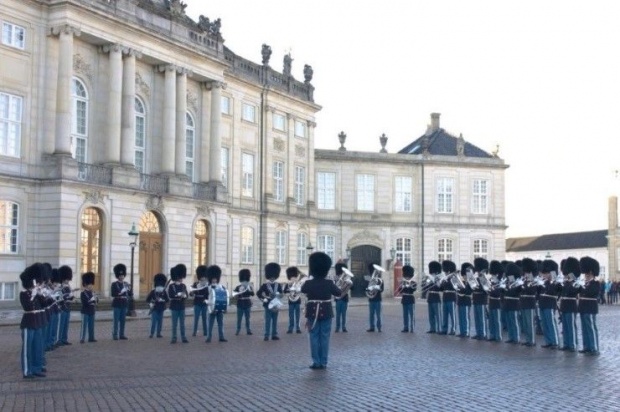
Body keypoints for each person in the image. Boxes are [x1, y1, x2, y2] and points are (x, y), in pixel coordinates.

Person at [301, 252, 342, 370]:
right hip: (326, 312)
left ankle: (316, 362)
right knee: (324, 337)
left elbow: (303, 290)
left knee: (313, 337)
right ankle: (323, 362)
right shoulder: (329, 283)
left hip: (312, 312)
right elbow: (338, 293)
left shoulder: (308, 283)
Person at [19, 265, 46, 379]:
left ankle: (36, 368)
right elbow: (28, 307)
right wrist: (34, 294)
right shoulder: (24, 294)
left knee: (37, 347)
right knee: (27, 349)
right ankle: (26, 371)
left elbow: (45, 304)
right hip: (28, 323)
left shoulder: (36, 293)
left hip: (37, 323)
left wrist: (41, 294)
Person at [577, 256, 600, 355]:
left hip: (590, 307)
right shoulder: (584, 283)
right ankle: (587, 346)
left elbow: (591, 292)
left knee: (591, 328)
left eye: (587, 274)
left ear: (591, 273)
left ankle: (594, 348)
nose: (586, 275)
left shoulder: (595, 283)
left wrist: (583, 286)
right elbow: (577, 292)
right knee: (584, 328)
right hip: (583, 307)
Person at [257, 262, 283, 341]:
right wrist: (263, 299)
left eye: (274, 276)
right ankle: (266, 335)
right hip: (267, 304)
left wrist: (279, 295)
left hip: (276, 305)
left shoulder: (278, 285)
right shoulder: (265, 285)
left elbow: (281, 294)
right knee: (267, 321)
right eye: (271, 276)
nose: (272, 278)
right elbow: (258, 293)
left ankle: (274, 334)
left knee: (275, 321)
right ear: (269, 276)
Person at [559, 257, 580, 352]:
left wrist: (568, 282)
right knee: (565, 326)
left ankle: (572, 344)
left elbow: (572, 291)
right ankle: (566, 343)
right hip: (564, 305)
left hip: (571, 304)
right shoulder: (565, 281)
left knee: (571, 326)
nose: (566, 275)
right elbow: (560, 292)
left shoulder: (575, 282)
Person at [538, 259, 560, 349]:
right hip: (543, 303)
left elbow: (553, 291)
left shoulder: (555, 282)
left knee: (550, 323)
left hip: (550, 304)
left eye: (546, 273)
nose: (544, 275)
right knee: (544, 323)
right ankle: (548, 341)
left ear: (551, 273)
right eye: (544, 273)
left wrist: (551, 281)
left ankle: (554, 342)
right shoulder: (544, 282)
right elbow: (538, 292)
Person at [205, 265, 228, 343]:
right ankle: (209, 337)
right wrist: (206, 302)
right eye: (213, 278)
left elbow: (225, 296)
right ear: (210, 278)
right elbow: (205, 297)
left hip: (220, 308)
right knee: (210, 324)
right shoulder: (208, 287)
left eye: (215, 278)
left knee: (220, 323)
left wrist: (225, 307)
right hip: (211, 307)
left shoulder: (221, 286)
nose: (214, 280)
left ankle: (221, 337)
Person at [168, 264, 189, 344]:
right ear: (177, 277)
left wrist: (184, 295)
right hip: (174, 307)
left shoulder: (183, 286)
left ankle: (183, 337)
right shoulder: (171, 286)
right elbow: (170, 295)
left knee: (182, 324)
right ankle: (174, 337)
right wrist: (178, 295)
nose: (181, 279)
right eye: (180, 277)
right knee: (174, 324)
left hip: (182, 307)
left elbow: (186, 295)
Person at [519, 258, 538, 347]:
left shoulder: (533, 280)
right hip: (523, 302)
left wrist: (524, 286)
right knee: (525, 323)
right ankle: (527, 339)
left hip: (530, 302)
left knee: (530, 323)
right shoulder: (524, 280)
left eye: (527, 272)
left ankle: (532, 340)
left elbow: (532, 291)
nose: (525, 274)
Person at [111, 263, 132, 340]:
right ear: (118, 276)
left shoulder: (126, 284)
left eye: (122, 275)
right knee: (116, 320)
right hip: (117, 303)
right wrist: (120, 292)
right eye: (120, 276)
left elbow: (130, 294)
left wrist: (129, 290)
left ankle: (122, 334)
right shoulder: (114, 284)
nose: (121, 277)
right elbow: (113, 294)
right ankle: (115, 334)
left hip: (124, 303)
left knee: (123, 320)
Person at [503, 262, 522, 344]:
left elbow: (515, 292)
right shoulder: (507, 281)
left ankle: (516, 337)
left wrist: (508, 288)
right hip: (507, 302)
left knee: (514, 321)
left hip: (514, 303)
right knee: (509, 321)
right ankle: (511, 337)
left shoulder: (518, 281)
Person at [146, 273, 168, 338]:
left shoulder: (164, 292)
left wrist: (162, 300)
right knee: (154, 322)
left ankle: (158, 333)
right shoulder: (153, 292)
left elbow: (167, 300)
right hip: (154, 308)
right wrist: (151, 304)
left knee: (160, 322)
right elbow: (147, 300)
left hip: (161, 308)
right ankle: (152, 333)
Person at [472, 258, 489, 340]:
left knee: (482, 318)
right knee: (477, 317)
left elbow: (486, 290)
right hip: (476, 298)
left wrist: (478, 285)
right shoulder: (477, 277)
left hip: (482, 299)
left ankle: (483, 333)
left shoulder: (483, 278)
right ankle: (478, 332)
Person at [487, 260, 504, 342]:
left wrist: (491, 290)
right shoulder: (491, 279)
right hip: (491, 301)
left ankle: (498, 336)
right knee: (491, 320)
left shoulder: (500, 280)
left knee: (497, 320)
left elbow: (498, 292)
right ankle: (492, 335)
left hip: (497, 301)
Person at [57, 265, 74, 346]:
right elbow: (61, 297)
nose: (68, 281)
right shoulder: (60, 287)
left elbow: (70, 296)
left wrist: (71, 297)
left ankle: (64, 339)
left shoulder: (68, 287)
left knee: (66, 325)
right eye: (66, 279)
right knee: (61, 325)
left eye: (68, 279)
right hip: (62, 308)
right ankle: (59, 340)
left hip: (68, 307)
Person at [233, 269, 254, 335]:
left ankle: (248, 330)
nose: (244, 281)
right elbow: (234, 295)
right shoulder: (238, 287)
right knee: (239, 319)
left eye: (245, 280)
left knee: (247, 319)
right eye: (243, 280)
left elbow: (252, 294)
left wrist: (249, 289)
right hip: (240, 303)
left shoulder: (249, 286)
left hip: (247, 303)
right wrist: (238, 293)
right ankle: (238, 330)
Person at [439, 260, 457, 335]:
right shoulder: (445, 278)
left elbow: (454, 287)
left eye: (446, 271)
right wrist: (440, 283)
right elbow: (442, 288)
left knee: (452, 315)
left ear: (449, 271)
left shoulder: (454, 277)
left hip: (451, 297)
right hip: (445, 297)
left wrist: (447, 280)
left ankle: (453, 329)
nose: (445, 272)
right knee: (445, 315)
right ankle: (444, 329)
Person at [333, 262, 352, 333]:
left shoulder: (347, 278)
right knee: (338, 314)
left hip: (344, 298)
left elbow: (352, 287)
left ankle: (344, 327)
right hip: (338, 298)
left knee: (344, 314)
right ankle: (337, 327)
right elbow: (334, 287)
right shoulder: (336, 278)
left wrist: (349, 283)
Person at [284, 266, 303, 334]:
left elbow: (302, 290)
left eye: (294, 277)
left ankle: (298, 328)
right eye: (292, 277)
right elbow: (284, 291)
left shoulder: (299, 283)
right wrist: (289, 289)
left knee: (298, 316)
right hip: (290, 301)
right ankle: (290, 328)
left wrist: (297, 288)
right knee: (291, 316)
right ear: (290, 277)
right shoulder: (288, 284)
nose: (293, 278)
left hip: (297, 300)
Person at [79, 272, 98, 344]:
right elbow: (84, 302)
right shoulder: (83, 293)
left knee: (91, 325)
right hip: (85, 310)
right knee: (84, 326)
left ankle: (91, 337)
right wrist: (91, 300)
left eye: (91, 284)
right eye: (89, 284)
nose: (91, 286)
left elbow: (96, 302)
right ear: (86, 284)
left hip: (92, 310)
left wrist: (95, 298)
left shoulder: (92, 292)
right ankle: (82, 338)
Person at [191, 266, 209, 338]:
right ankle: (194, 332)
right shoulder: (195, 284)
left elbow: (209, 294)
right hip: (197, 303)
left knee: (204, 318)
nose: (203, 279)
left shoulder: (207, 285)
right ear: (199, 277)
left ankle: (205, 332)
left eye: (204, 277)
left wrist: (207, 300)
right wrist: (193, 292)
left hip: (204, 303)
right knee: (196, 318)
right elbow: (191, 293)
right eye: (202, 277)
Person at [366, 263, 384, 332]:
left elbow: (382, 290)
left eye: (377, 272)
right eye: (375, 272)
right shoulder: (369, 279)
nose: (376, 273)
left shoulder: (380, 280)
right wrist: (370, 288)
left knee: (378, 315)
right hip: (371, 299)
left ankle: (379, 327)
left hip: (378, 299)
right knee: (371, 315)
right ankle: (372, 327)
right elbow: (366, 289)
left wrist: (378, 287)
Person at [456, 263, 473, 338]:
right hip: (460, 300)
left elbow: (469, 291)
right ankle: (462, 331)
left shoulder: (471, 282)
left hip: (466, 300)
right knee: (461, 317)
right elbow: (458, 290)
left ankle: (466, 332)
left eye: (465, 275)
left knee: (465, 317)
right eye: (464, 275)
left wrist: (462, 289)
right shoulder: (462, 282)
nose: (464, 276)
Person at [399, 265, 417, 333]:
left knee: (412, 315)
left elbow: (414, 289)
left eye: (407, 276)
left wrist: (409, 285)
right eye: (405, 275)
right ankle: (405, 327)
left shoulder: (413, 282)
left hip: (410, 299)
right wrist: (401, 286)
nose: (406, 277)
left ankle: (412, 328)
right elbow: (399, 291)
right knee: (405, 315)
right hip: (404, 299)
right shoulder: (402, 282)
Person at [426, 261, 442, 333]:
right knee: (431, 315)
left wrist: (436, 279)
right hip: (430, 297)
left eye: (433, 272)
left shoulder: (439, 278)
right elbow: (426, 287)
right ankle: (432, 328)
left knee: (438, 314)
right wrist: (428, 281)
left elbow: (439, 287)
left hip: (436, 296)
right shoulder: (429, 278)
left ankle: (439, 329)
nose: (432, 273)